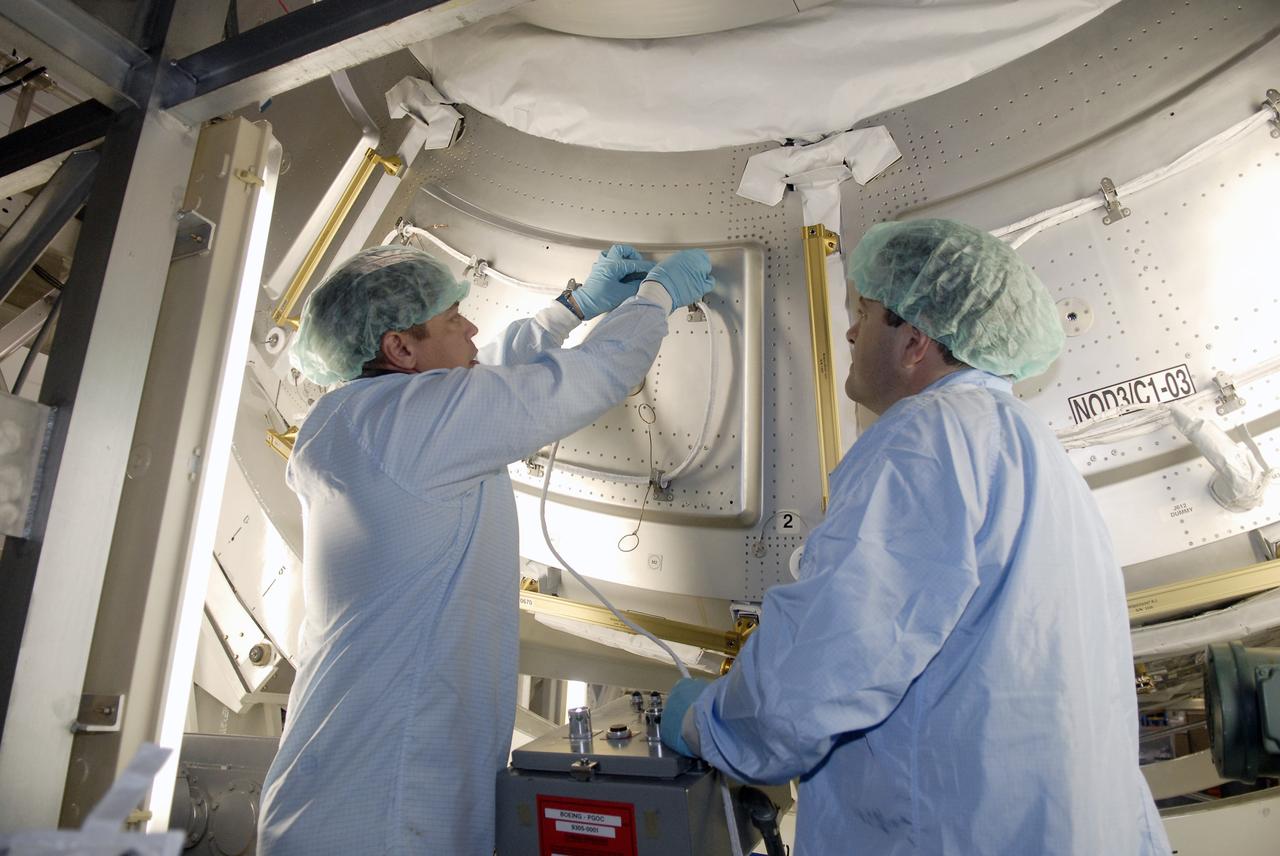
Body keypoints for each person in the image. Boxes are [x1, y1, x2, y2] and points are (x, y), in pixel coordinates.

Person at [660, 219, 1171, 854]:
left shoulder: (924, 441)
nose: (849, 331)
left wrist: (704, 723)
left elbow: (820, 670)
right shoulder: (1032, 448)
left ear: (914, 340)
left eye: (866, 312)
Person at [257, 242, 715, 855]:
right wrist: (654, 298)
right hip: (379, 815)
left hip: (339, 794)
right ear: (399, 348)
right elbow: (585, 378)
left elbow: (484, 377)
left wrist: (571, 309)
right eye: (453, 318)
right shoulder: (412, 428)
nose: (471, 326)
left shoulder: (364, 419)